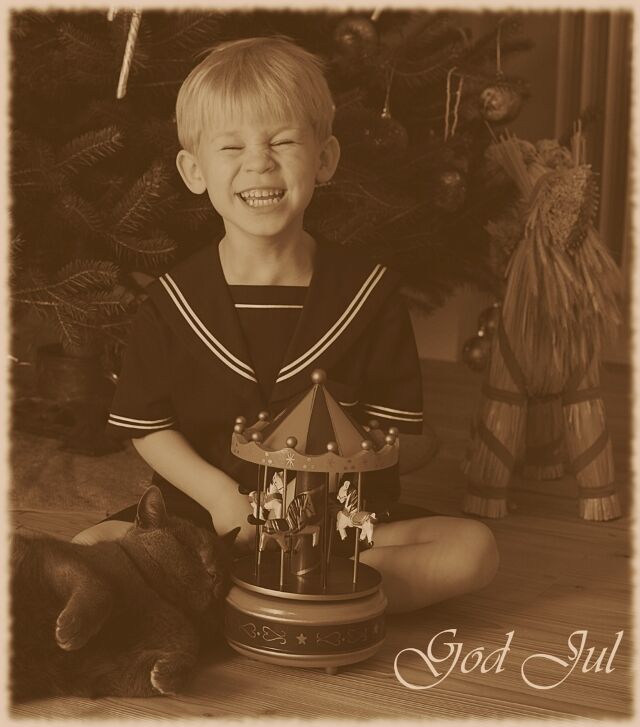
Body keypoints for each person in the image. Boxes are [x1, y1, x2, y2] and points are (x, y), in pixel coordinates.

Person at [74, 36, 498, 614]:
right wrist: (221, 496)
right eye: (231, 146)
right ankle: (301, 601)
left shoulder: (369, 297)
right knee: (88, 546)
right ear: (194, 171)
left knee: (473, 549)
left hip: (340, 526)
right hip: (203, 519)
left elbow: (394, 435)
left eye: (282, 141)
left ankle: (238, 599)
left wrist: (324, 495)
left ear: (324, 160)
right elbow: (147, 427)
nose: (259, 162)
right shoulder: (170, 303)